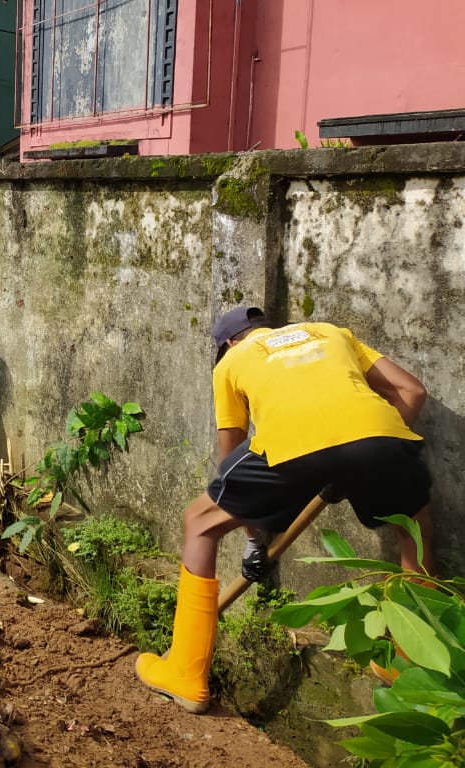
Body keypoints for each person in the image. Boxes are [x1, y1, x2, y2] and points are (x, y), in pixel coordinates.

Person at [136, 305, 434, 714]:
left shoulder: (232, 363)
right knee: (412, 527)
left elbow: (230, 455)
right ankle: (414, 666)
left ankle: (185, 674)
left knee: (200, 521)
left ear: (228, 344)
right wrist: (363, 453)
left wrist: (253, 538)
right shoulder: (331, 332)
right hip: (382, 435)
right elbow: (412, 392)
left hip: (292, 448)